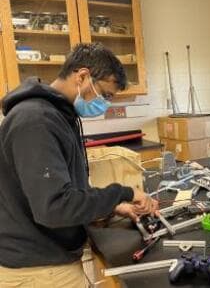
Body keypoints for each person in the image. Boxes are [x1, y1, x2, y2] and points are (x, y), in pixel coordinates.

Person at [0, 43, 158, 287]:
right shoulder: (36, 121)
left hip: (48, 260)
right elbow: (55, 207)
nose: (104, 105)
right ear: (82, 76)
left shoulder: (59, 115)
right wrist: (123, 192)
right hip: (38, 270)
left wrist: (112, 207)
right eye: (105, 95)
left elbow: (66, 189)